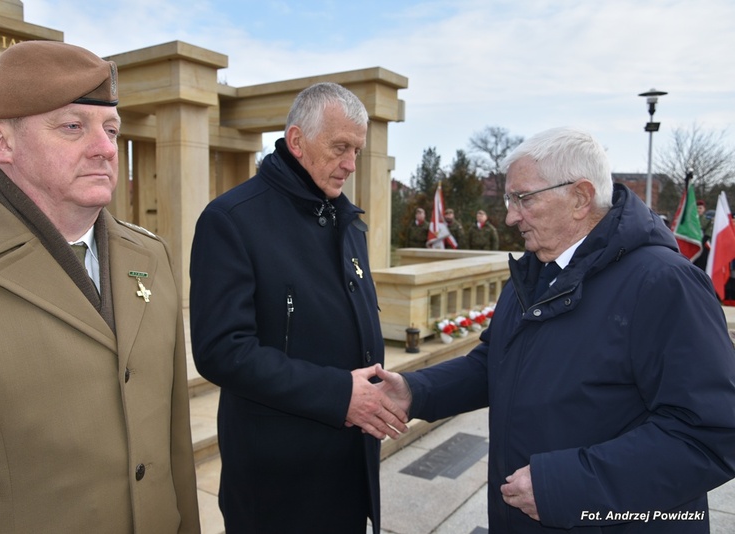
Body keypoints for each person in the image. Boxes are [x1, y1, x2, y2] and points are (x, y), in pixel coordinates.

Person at [375, 127, 735, 533]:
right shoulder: (535, 273)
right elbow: (493, 362)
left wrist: (563, 485)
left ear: (580, 197)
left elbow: (709, 434)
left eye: (523, 198)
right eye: (511, 199)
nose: (511, 216)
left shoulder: (665, 284)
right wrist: (415, 391)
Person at [0, 41, 200, 533]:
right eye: (73, 127)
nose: (105, 147)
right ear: (1, 142)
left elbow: (173, 452)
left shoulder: (152, 257)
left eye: (111, 129)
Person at [189, 82, 408, 534]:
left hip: (349, 471)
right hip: (279, 484)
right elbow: (221, 350)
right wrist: (338, 394)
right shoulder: (231, 220)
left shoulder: (349, 223)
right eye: (340, 148)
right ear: (296, 141)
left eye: (357, 150)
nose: (350, 164)